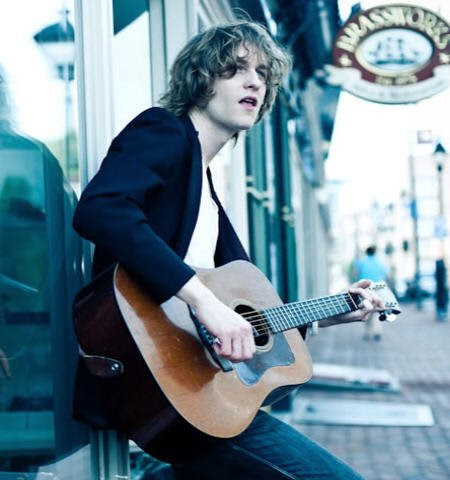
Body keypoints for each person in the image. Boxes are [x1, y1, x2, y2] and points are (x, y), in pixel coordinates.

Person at [73, 20, 384, 480]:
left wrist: (333, 312)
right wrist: (204, 302)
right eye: (235, 69)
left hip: (201, 398)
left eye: (262, 74)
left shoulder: (205, 188)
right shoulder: (163, 130)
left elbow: (248, 319)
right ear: (200, 79)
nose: (254, 82)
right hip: (156, 384)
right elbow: (101, 209)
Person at [354, 246, 388, 341]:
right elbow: (385, 275)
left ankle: (367, 332)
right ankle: (377, 331)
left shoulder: (361, 262)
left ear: (366, 252)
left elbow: (356, 275)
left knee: (366, 308)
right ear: (375, 252)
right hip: (378, 289)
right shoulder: (380, 262)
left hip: (365, 289)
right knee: (377, 309)